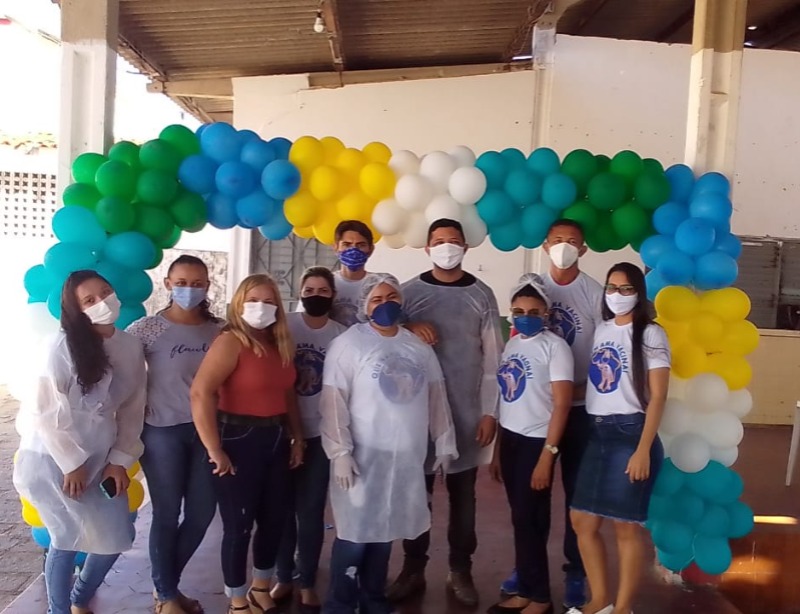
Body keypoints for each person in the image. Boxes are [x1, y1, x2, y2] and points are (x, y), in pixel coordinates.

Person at [319, 274, 458, 614]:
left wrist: (444, 441)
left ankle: (373, 600)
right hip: (364, 455)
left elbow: (436, 395)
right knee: (355, 534)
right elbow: (334, 401)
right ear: (365, 306)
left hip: (405, 455)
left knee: (384, 531)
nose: (386, 304)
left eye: (392, 297)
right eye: (377, 299)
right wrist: (339, 451)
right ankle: (340, 604)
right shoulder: (350, 345)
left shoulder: (416, 345)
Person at [13, 270, 146, 614]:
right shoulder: (60, 345)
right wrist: (71, 464)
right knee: (66, 538)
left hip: (102, 455)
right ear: (76, 310)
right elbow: (46, 410)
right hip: (51, 456)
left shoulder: (129, 345)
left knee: (116, 536)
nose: (103, 303)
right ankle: (60, 609)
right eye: (89, 300)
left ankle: (80, 596)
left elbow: (133, 407)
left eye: (106, 292)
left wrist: (120, 459)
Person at [389, 218, 503, 606]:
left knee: (464, 498)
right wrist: (409, 324)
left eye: (454, 242)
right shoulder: (408, 293)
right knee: (415, 496)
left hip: (467, 412)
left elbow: (493, 359)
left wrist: (490, 412)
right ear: (427, 248)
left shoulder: (481, 294)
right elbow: (385, 337)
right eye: (439, 242)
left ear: (466, 248)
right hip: (417, 415)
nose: (447, 248)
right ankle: (412, 567)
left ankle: (460, 570)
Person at [502, 219, 604, 609]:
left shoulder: (594, 294)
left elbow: (606, 350)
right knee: (530, 503)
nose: (564, 246)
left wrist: (572, 391)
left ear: (584, 248)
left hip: (579, 410)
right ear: (545, 246)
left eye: (572, 242)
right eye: (557, 240)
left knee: (576, 498)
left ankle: (574, 571)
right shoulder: (535, 289)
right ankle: (527, 570)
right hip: (533, 418)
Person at [190, 274, 305, 614]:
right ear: (239, 304)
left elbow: (289, 394)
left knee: (274, 519)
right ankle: (237, 598)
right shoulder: (230, 341)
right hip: (238, 439)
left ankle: (260, 586)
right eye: (253, 300)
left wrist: (297, 437)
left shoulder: (281, 343)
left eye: (269, 301)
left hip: (276, 437)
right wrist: (214, 448)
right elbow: (201, 392)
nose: (261, 307)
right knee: (239, 525)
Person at [568, 263, 670, 614]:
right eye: (611, 287)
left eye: (626, 289)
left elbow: (657, 396)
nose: (616, 295)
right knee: (582, 520)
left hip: (631, 434)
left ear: (639, 294)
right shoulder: (603, 330)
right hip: (598, 432)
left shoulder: (651, 334)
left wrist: (643, 448)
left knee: (625, 528)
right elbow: (600, 382)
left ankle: (623, 608)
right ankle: (599, 601)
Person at [126, 255, 222, 614]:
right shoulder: (146, 329)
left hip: (208, 431)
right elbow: (121, 373)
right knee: (167, 513)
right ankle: (167, 596)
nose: (189, 289)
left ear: (208, 285)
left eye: (197, 283)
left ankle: (164, 585)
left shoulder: (220, 330)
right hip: (162, 431)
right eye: (181, 282)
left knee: (201, 513)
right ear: (167, 284)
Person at [487, 274, 574, 614]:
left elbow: (563, 403)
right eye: (519, 310)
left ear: (546, 313)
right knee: (520, 520)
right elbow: (506, 399)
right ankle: (525, 589)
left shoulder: (555, 347)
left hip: (538, 442)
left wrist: (547, 456)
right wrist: (497, 451)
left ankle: (540, 598)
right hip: (511, 440)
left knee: (531, 520)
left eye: (534, 311)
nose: (526, 316)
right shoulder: (512, 344)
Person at [271, 267, 346, 613]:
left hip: (322, 435)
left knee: (311, 510)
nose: (316, 294)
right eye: (309, 288)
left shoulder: (342, 336)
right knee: (282, 508)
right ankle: (283, 576)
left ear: (332, 295)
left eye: (323, 289)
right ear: (300, 292)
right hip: (281, 430)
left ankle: (307, 582)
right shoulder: (283, 325)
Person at [296, 220, 377, 327]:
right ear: (336, 248)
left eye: (361, 245)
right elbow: (304, 321)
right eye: (346, 244)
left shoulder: (378, 285)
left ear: (370, 250)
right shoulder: (323, 284)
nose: (353, 250)